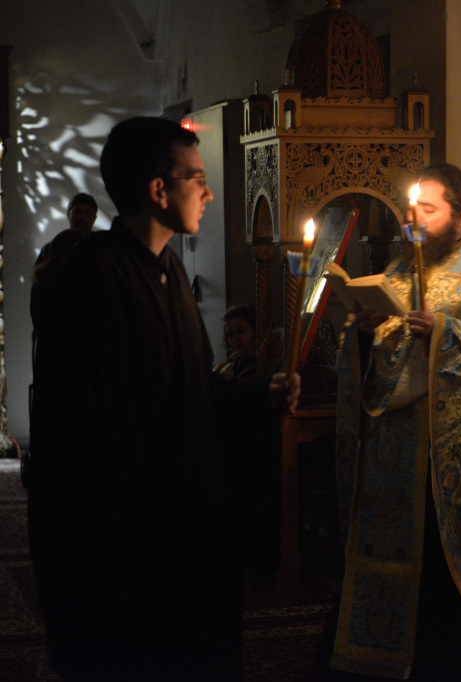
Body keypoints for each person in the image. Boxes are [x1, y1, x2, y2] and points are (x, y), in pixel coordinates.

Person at [27, 116, 300, 681]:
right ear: (158, 189)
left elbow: (192, 387)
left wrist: (261, 395)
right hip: (129, 547)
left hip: (182, 536)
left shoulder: (169, 269)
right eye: (197, 178)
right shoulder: (94, 277)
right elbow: (89, 433)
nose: (207, 193)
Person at [325, 162, 461, 681]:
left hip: (452, 459)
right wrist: (365, 331)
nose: (415, 219)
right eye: (412, 209)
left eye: (429, 209)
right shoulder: (400, 269)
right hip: (393, 457)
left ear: (460, 215)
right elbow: (384, 348)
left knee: (440, 588)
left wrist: (447, 332)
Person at [30, 193, 98, 333]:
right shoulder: (50, 249)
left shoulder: (103, 250)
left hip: (92, 332)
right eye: (77, 212)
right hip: (56, 331)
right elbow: (37, 295)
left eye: (87, 213)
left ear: (94, 218)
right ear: (69, 215)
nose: (82, 217)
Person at [214, 304, 259, 380]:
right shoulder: (232, 367)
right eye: (230, 335)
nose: (235, 338)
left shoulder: (261, 364)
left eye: (240, 331)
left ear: (254, 330)